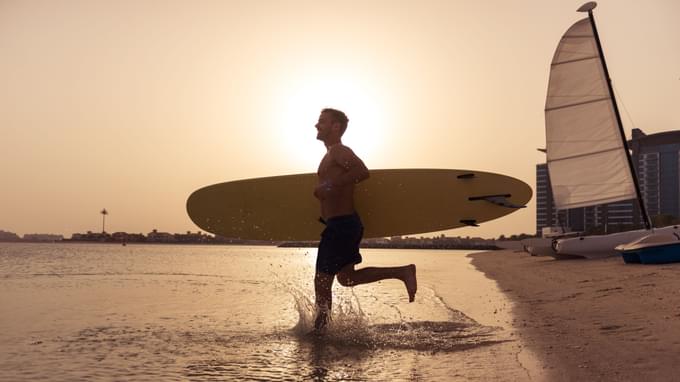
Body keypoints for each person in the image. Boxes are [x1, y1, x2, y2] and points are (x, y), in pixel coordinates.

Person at [312, 108, 417, 331]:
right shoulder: (331, 153)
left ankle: (319, 336)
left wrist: (329, 186)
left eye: (322, 121)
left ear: (335, 126)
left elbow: (361, 171)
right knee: (347, 279)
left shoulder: (339, 151)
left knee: (322, 283)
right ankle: (402, 272)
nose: (316, 125)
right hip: (343, 224)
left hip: (341, 225)